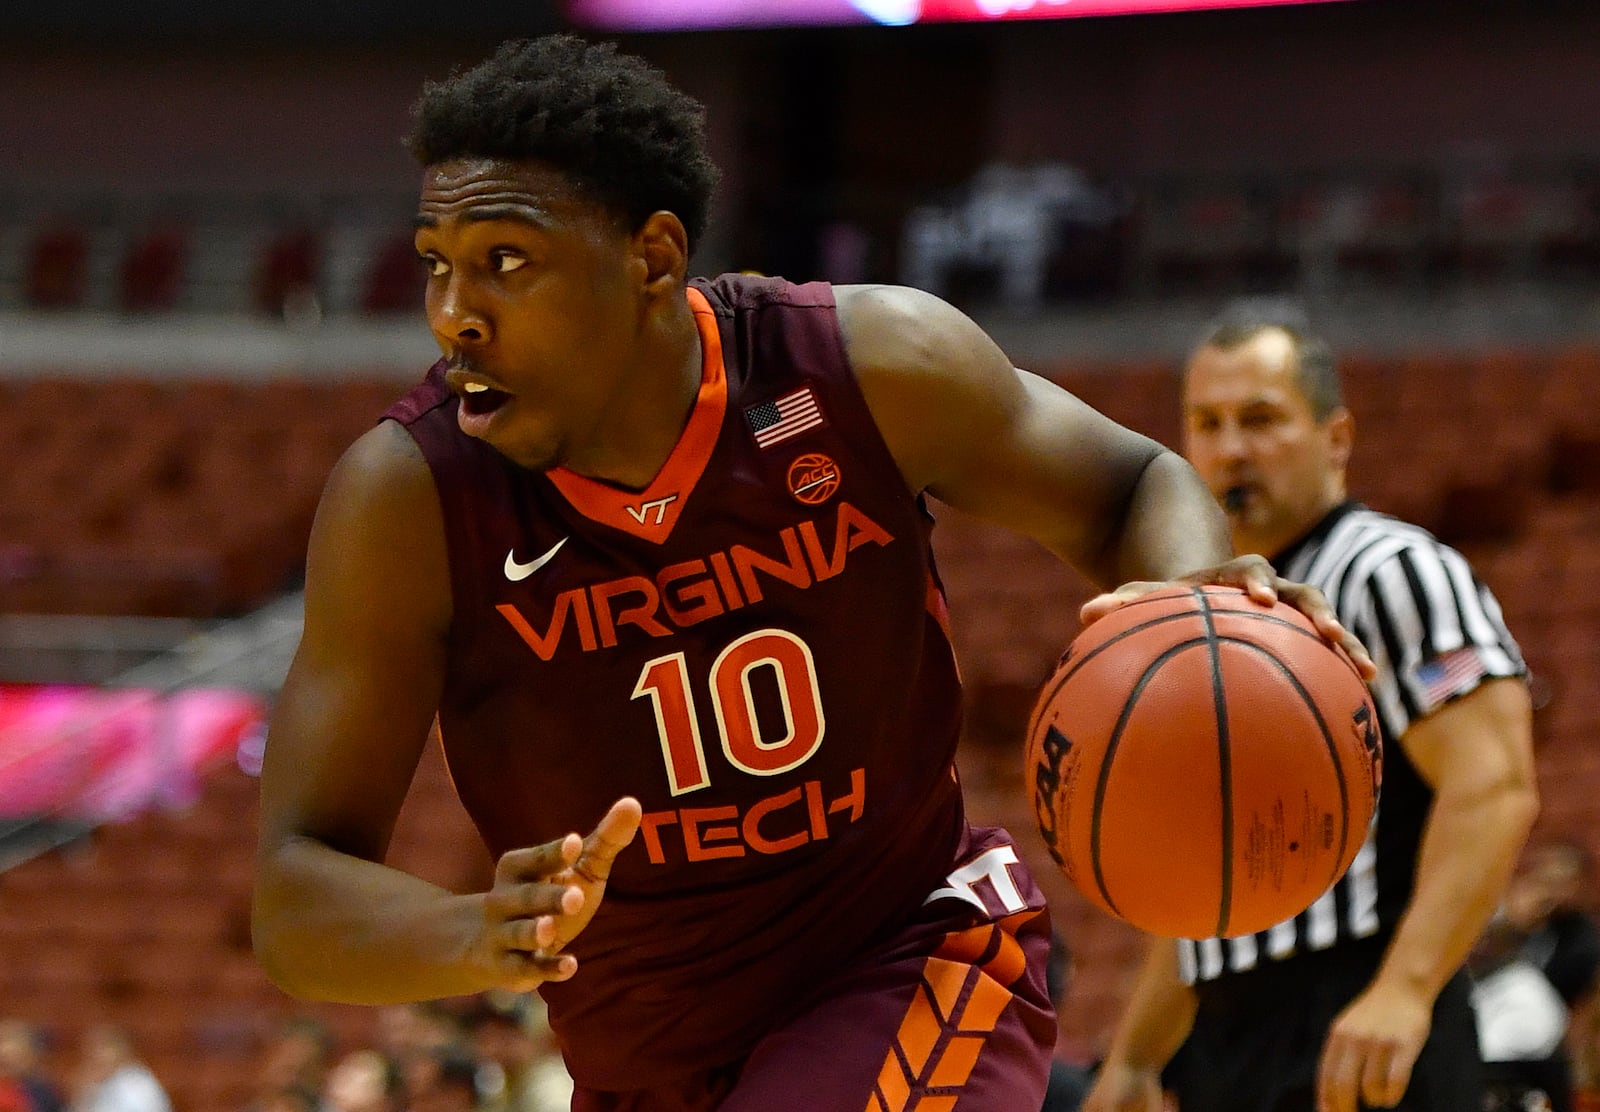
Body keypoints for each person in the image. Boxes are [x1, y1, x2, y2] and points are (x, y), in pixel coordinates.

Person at [250, 36, 1369, 1111]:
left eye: (507, 262)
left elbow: (1134, 483)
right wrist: (478, 931)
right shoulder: (408, 498)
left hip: (915, 957)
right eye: (437, 266)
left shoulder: (863, 367)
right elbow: (297, 891)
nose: (456, 314)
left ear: (650, 258)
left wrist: (1195, 599)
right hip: (645, 1061)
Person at [1083, 305, 1539, 1112]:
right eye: (1208, 423)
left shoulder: (1392, 570)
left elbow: (1494, 788)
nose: (1231, 449)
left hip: (1360, 1011)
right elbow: (1211, 874)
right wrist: (1135, 1058)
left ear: (1336, 439)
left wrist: (1405, 988)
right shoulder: (1209, 614)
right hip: (1227, 1038)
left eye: (1260, 419)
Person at [1472, 841, 1600, 1112]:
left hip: (1546, 1044)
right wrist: (1512, 920)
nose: (1550, 890)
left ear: (1580, 885)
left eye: (1561, 881)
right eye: (1542, 878)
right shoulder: (1517, 925)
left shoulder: (1580, 939)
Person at [67, 1026, 171, 1112]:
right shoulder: (99, 1081)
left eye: (100, 1049)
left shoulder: (137, 1083)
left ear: (120, 1051)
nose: (92, 1055)